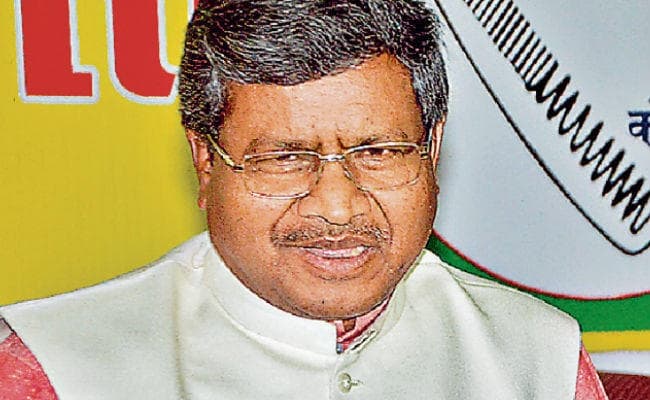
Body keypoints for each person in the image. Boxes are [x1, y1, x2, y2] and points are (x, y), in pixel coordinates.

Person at [0, 0, 608, 398]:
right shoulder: (61, 367)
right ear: (206, 161)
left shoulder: (536, 355)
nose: (338, 209)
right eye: (285, 159)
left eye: (378, 151)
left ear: (433, 147)